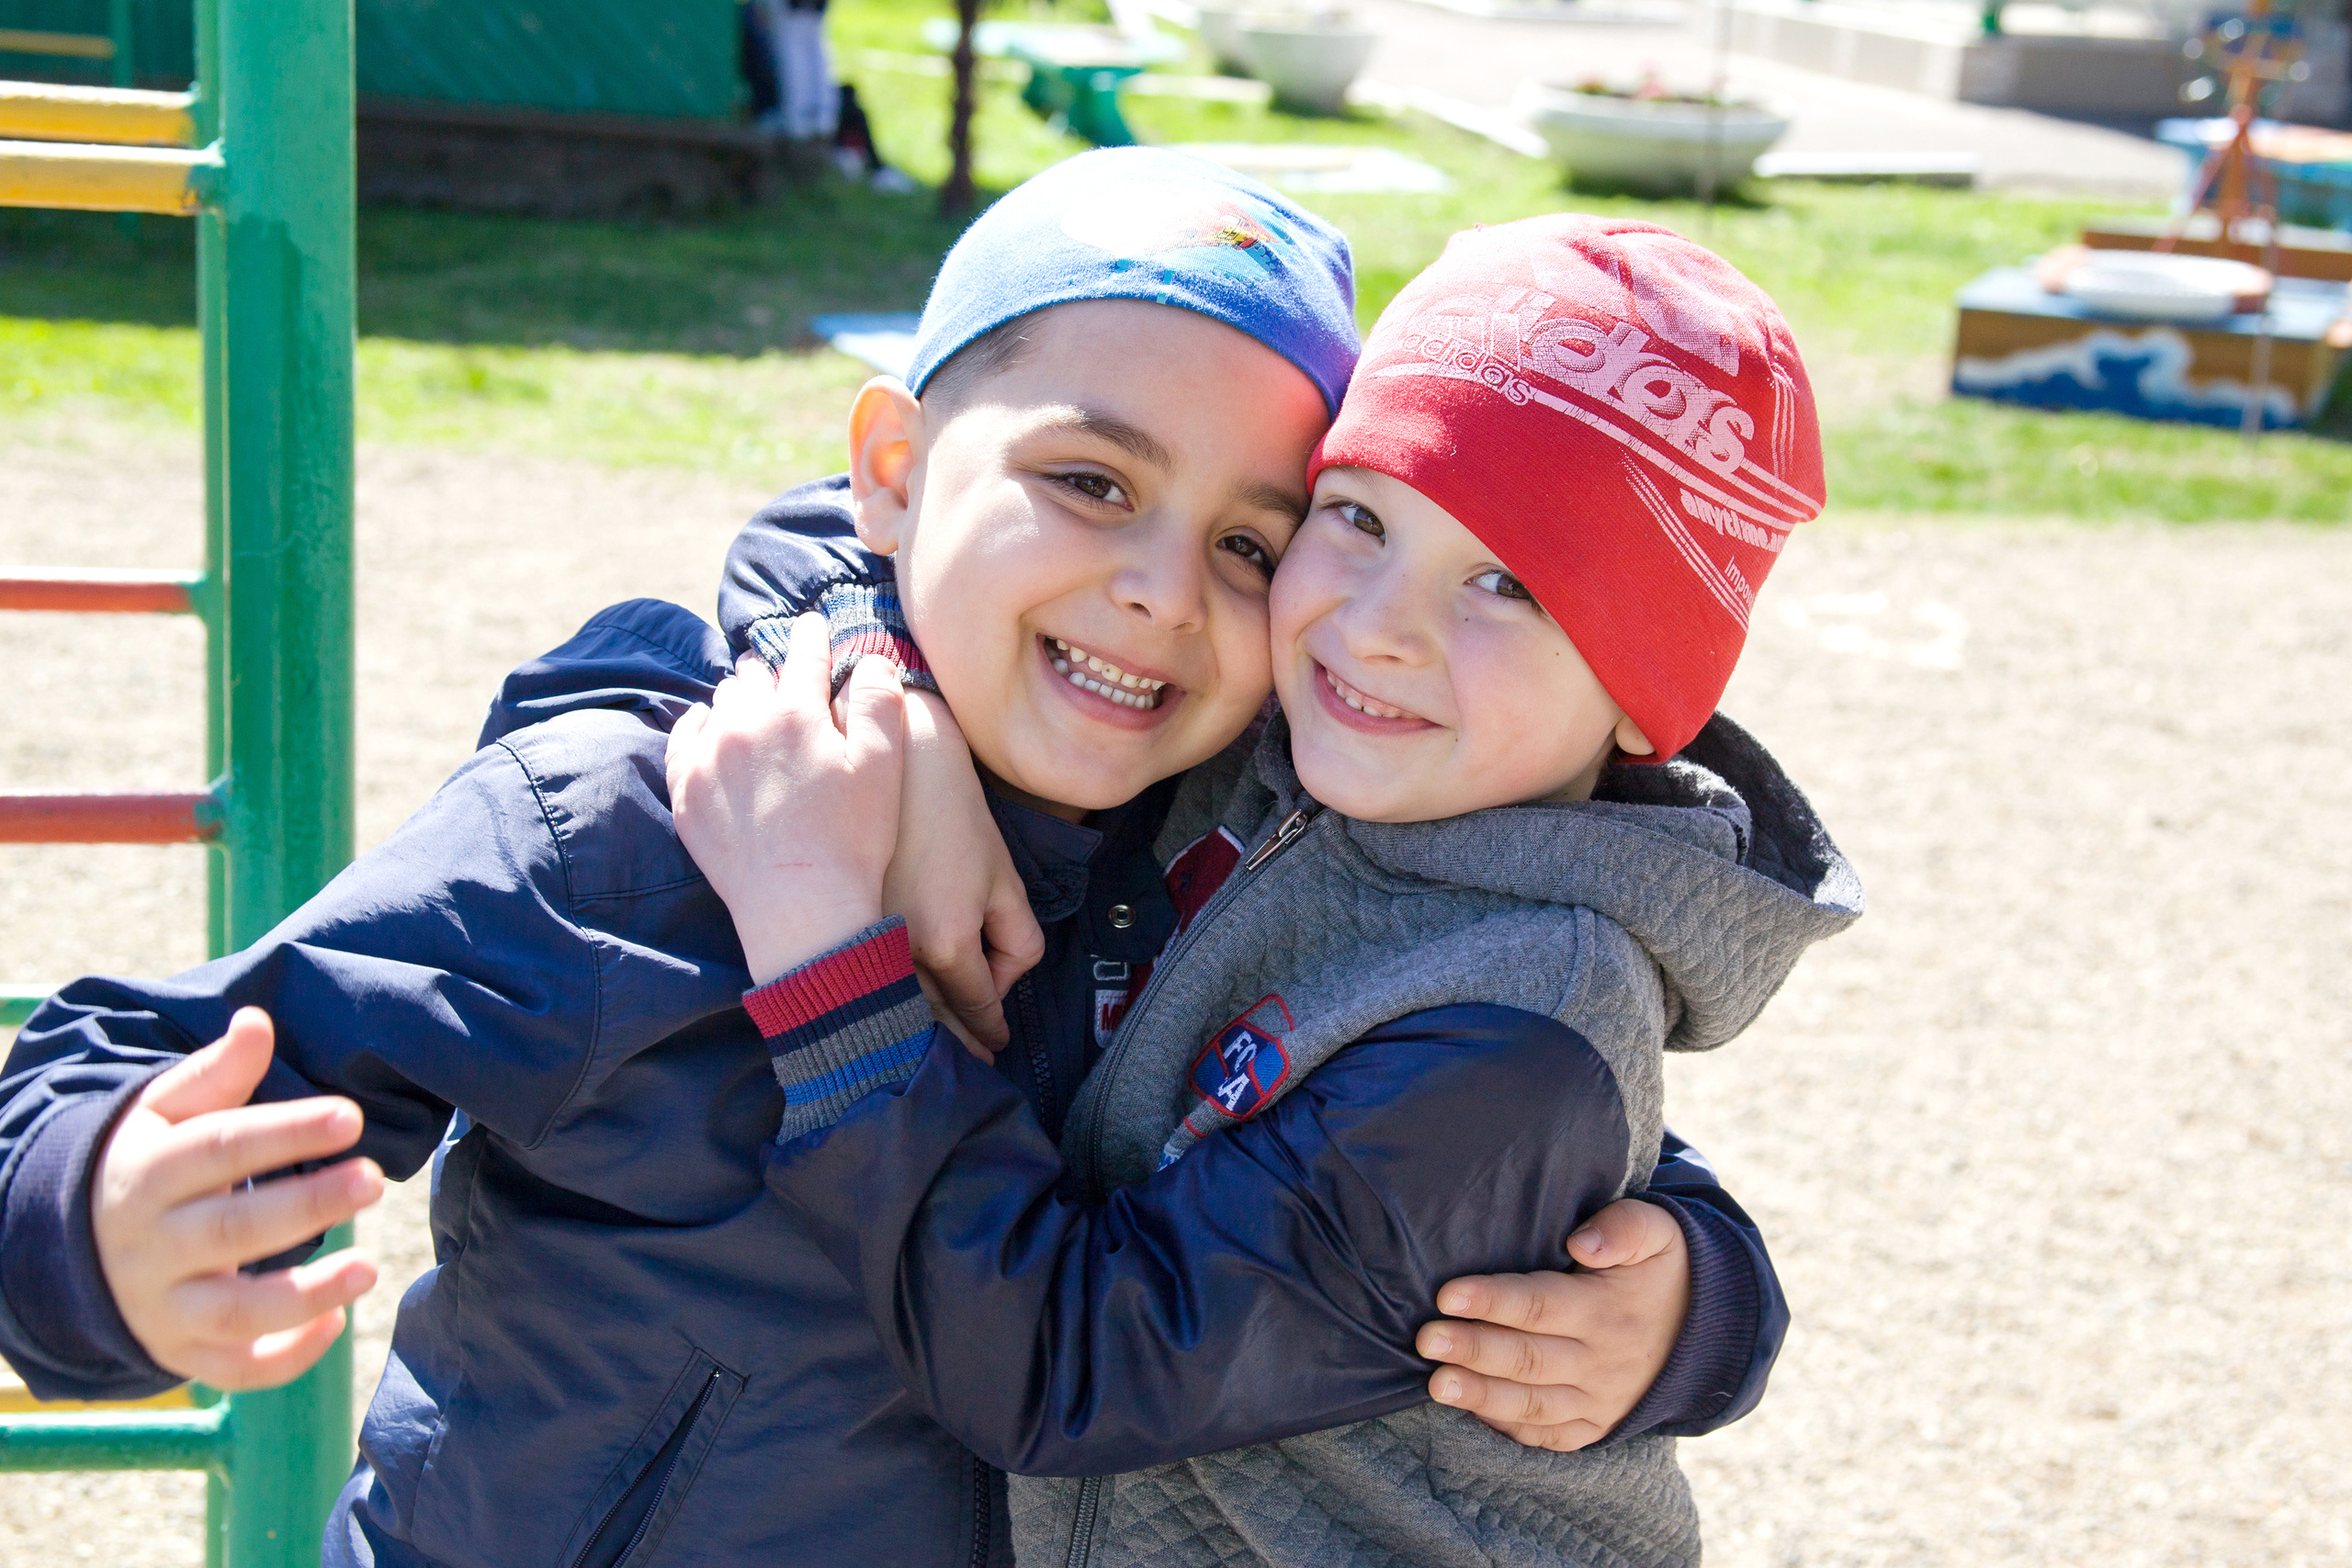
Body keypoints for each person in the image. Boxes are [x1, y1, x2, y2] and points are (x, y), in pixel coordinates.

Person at [0, 152, 1775, 1568]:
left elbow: (1465, 1099)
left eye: (1255, 538)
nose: (1162, 586)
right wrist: (92, 1217)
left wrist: (1687, 1290)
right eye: (1091, 482)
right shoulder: (652, 819)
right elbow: (150, 1067)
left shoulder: (1244, 823)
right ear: (896, 470)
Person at [666, 211, 1861, 1566]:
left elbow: (1072, 1364)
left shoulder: (1526, 1017)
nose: (1376, 624)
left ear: (1649, 699)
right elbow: (858, 522)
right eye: (1357, 519)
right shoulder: (1259, 729)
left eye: (1507, 586)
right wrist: (887, 686)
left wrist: (827, 952)